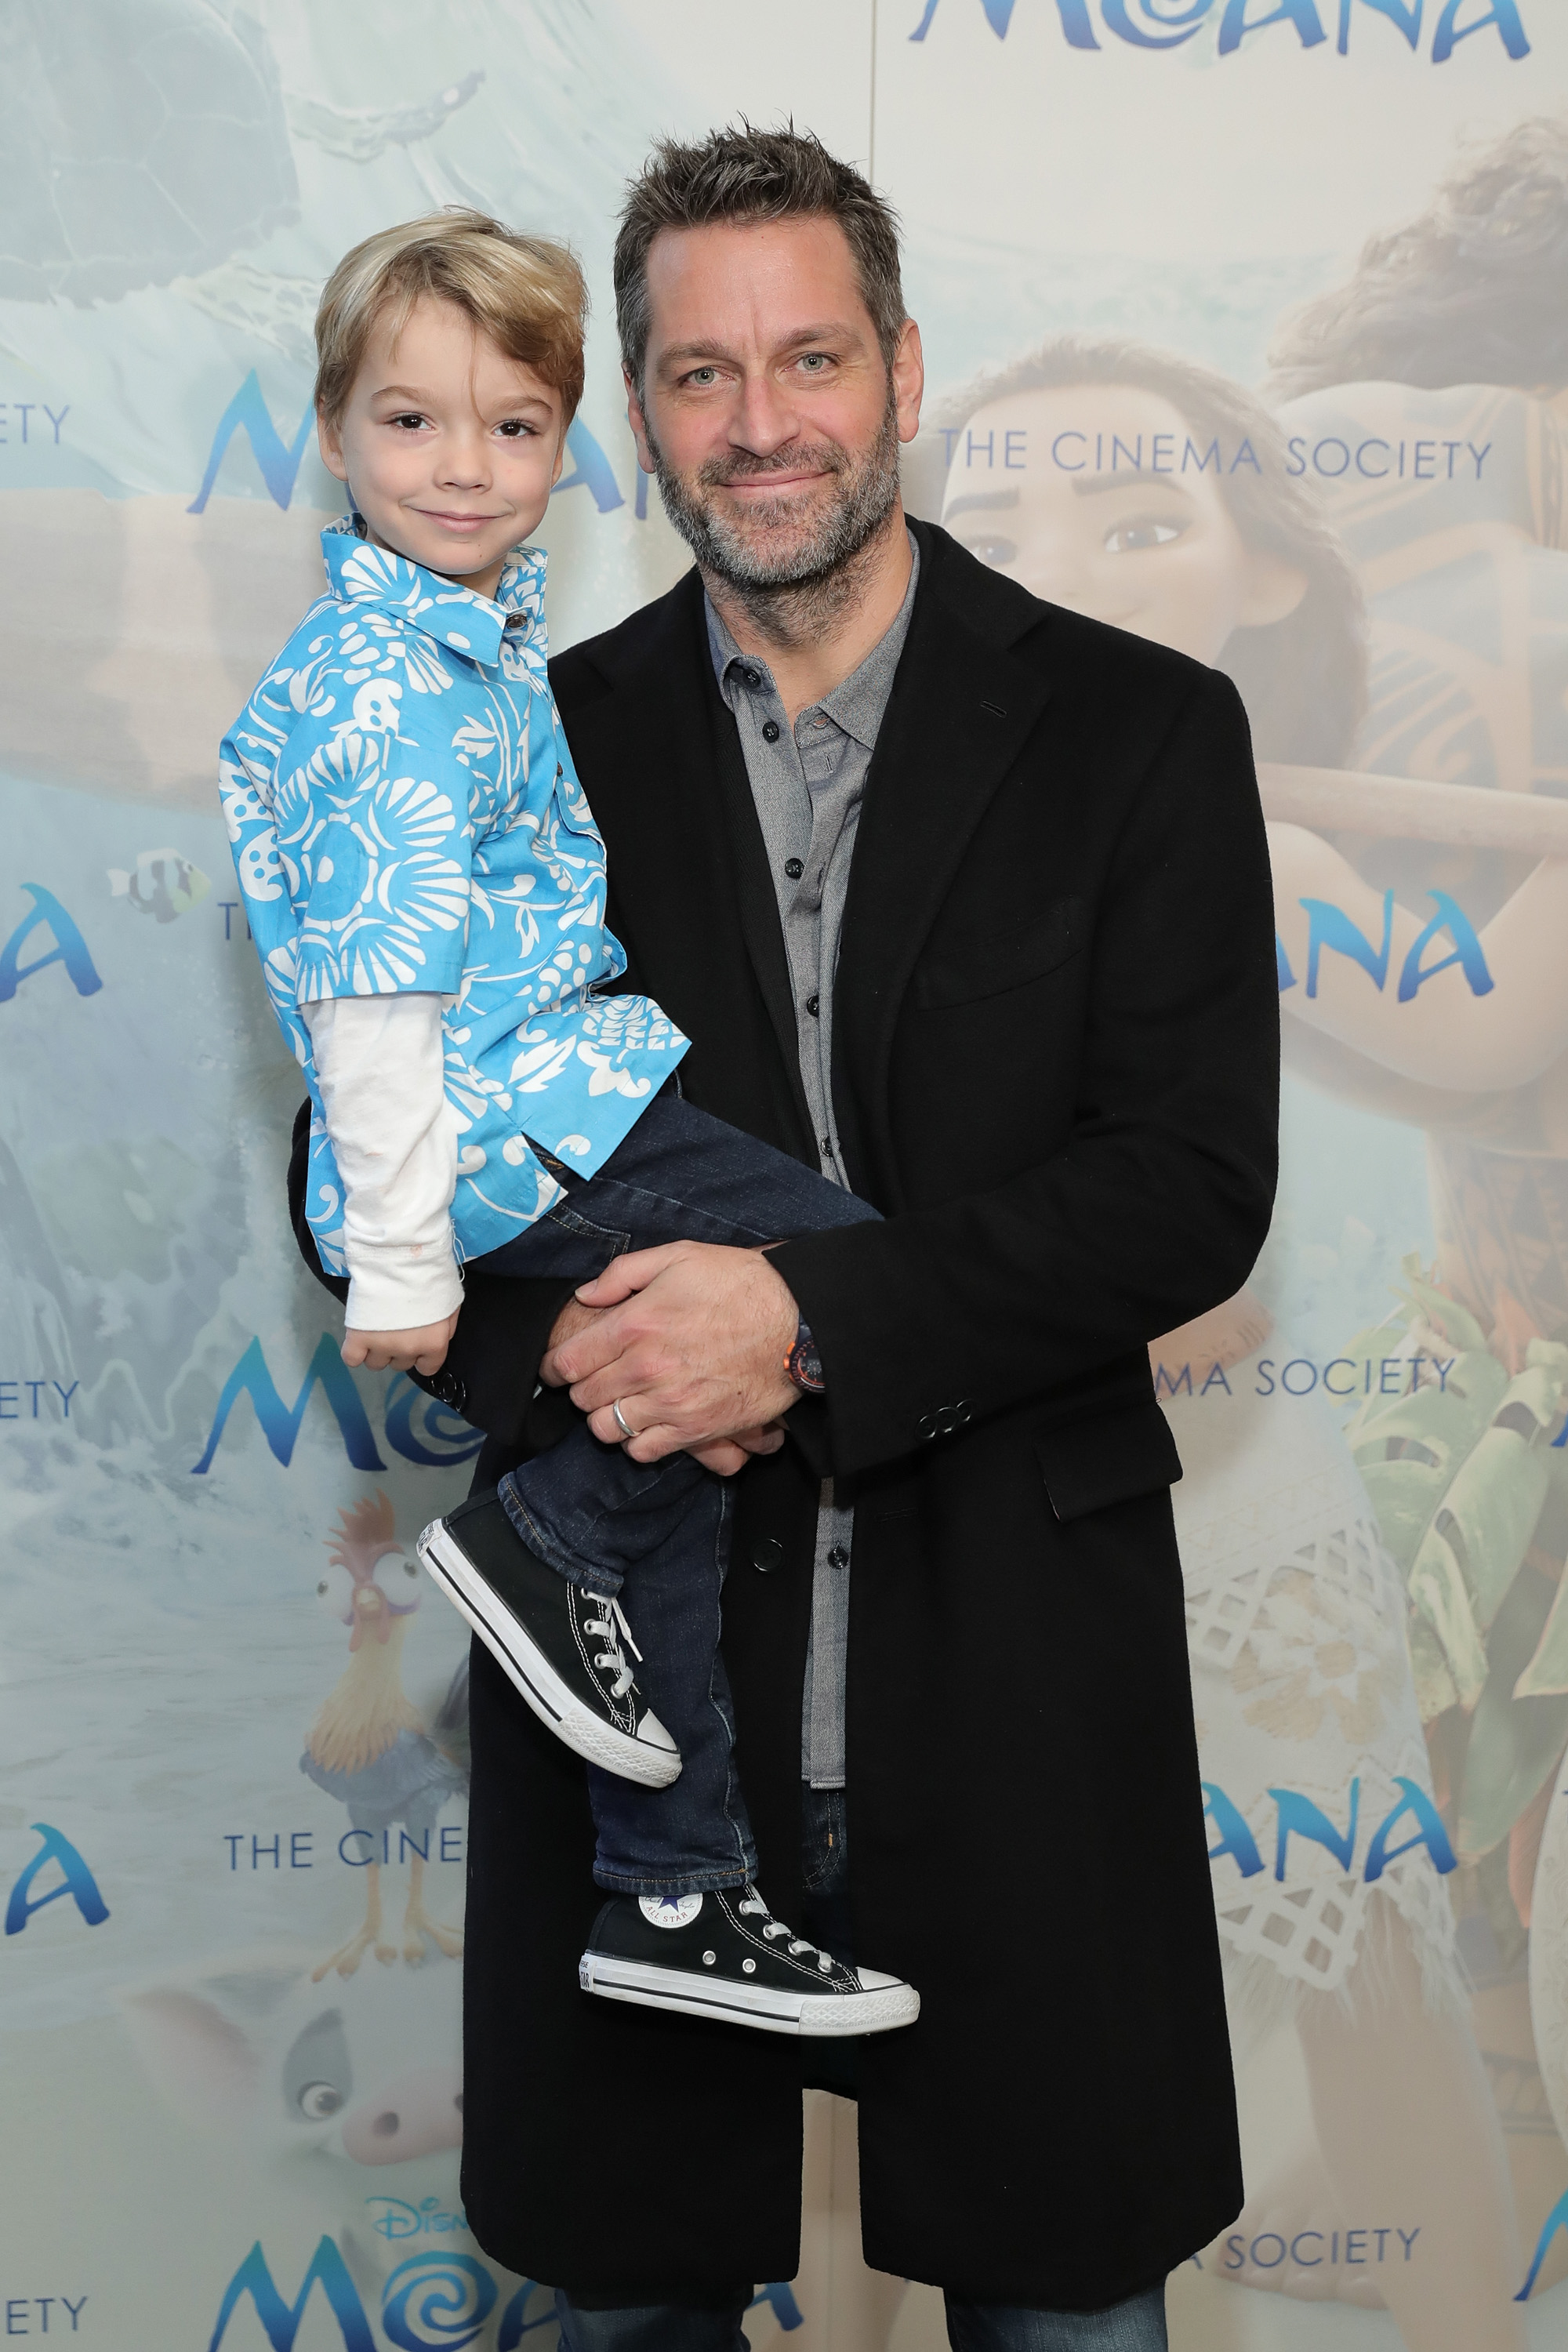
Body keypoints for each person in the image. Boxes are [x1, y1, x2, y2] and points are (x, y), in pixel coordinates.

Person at [288, 129, 1279, 2350]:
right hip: (644, 1741)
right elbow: (347, 1171)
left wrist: (803, 1323)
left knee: (1063, 2306)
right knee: (619, 2306)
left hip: (1019, 1688)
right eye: (702, 374)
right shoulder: (503, 741)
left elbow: (1190, 1182)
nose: (762, 423)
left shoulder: (1140, 734)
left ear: (903, 367)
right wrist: (607, 1352)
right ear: (641, 417)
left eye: (810, 355)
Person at [220, 206, 919, 2037]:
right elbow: (372, 998)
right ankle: (546, 1543)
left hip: (543, 1107)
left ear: (564, 440)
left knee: (691, 1438)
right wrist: (399, 1261)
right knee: (840, 1272)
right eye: (411, 423)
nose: (465, 469)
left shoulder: (464, 648)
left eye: (512, 428)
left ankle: (674, 1884)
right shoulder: (380, 686)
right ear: (334, 429)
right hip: (511, 1130)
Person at [937, 336, 1537, 2350]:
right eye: (993, 520)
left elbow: (1470, 1031)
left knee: (1366, 2012)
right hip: (950, 1516)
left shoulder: (1259, 844)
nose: (1056, 564)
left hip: (1222, 1513)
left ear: (1258, 570)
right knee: (924, 2063)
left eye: (1131, 519)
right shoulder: (881, 812)